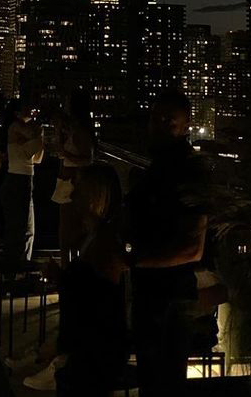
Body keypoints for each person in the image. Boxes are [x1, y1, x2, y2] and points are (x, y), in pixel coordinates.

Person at [126, 90, 211, 397]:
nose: (159, 126)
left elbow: (193, 248)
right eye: (155, 119)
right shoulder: (162, 166)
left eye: (168, 121)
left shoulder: (188, 169)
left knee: (163, 381)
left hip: (170, 297)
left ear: (187, 125)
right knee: (155, 379)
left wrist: (134, 259)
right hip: (155, 293)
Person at [24, 165, 128, 395]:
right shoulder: (94, 237)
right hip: (88, 351)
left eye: (79, 188)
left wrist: (64, 278)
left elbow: (96, 300)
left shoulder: (104, 244)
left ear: (95, 195)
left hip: (93, 354)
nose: (73, 195)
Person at [1, 98, 44, 272]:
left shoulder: (19, 129)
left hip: (24, 177)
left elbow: (37, 156)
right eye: (26, 108)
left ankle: (21, 261)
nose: (30, 111)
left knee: (26, 225)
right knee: (20, 224)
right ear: (17, 113)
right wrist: (35, 136)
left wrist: (32, 139)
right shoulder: (15, 127)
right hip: (20, 178)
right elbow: (36, 143)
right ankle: (18, 262)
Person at [53, 89, 95, 265]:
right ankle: (70, 268)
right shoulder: (74, 129)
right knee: (68, 230)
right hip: (68, 181)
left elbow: (88, 159)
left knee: (68, 230)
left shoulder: (80, 132)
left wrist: (65, 153)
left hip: (73, 182)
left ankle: (69, 269)